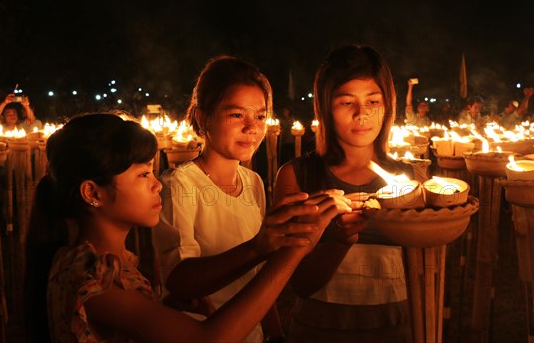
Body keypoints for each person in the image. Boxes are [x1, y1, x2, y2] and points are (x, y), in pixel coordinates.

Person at [24, 112, 343, 342]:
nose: (156, 185)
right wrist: (296, 250)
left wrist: (162, 314)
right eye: (142, 175)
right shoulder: (93, 279)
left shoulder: (109, 263)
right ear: (93, 192)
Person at [152, 56, 348, 343]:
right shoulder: (179, 184)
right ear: (202, 117)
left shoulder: (252, 182)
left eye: (259, 115)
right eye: (236, 115)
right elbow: (179, 280)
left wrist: (273, 331)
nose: (252, 127)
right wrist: (257, 248)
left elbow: (258, 275)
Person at [275, 44, 415, 342]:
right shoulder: (298, 176)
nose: (362, 114)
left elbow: (423, 270)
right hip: (319, 331)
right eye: (346, 102)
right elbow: (297, 283)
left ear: (388, 105)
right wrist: (338, 240)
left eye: (373, 101)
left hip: (397, 330)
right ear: (326, 107)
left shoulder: (411, 179)